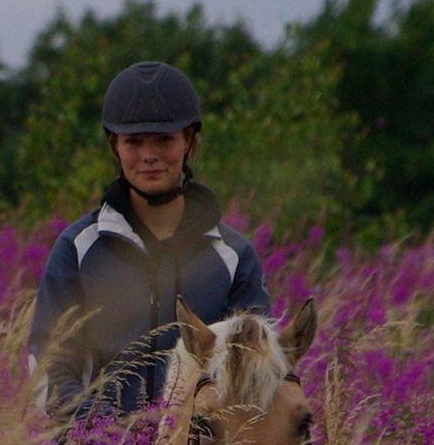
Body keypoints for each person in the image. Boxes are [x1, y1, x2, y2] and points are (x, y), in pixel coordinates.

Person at [28, 60, 271, 417]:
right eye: (134, 141)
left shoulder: (234, 257)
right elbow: (48, 361)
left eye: (164, 140)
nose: (149, 155)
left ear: (189, 142)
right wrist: (95, 429)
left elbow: (257, 372)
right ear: (115, 146)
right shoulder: (78, 249)